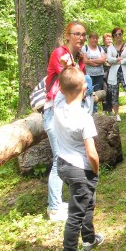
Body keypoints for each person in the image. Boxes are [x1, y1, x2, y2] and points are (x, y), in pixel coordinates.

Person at [53, 66, 104, 251]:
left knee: (87, 203)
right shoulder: (84, 117)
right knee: (76, 213)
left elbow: (62, 85)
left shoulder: (57, 105)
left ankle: (89, 240)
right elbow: (91, 153)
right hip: (80, 169)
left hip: (63, 165)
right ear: (84, 89)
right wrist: (96, 171)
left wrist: (68, 66)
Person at [43, 21, 87, 222]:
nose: (80, 38)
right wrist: (76, 65)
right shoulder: (59, 54)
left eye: (83, 34)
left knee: (68, 155)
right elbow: (69, 78)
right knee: (58, 158)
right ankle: (53, 208)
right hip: (54, 111)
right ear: (67, 35)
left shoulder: (76, 58)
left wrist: (82, 63)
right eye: (76, 34)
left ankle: (60, 202)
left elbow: (80, 83)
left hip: (66, 112)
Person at [81, 32, 106, 112]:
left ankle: (94, 110)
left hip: (99, 74)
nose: (95, 40)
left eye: (96, 38)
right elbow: (85, 61)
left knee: (96, 93)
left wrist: (91, 60)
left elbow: (103, 60)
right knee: (89, 91)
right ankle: (88, 109)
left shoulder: (100, 49)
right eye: (93, 38)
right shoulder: (85, 48)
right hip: (89, 75)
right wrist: (97, 62)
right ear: (89, 39)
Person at [105, 28, 126, 122]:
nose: (118, 36)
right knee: (114, 93)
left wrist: (115, 60)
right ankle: (116, 114)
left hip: (125, 72)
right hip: (113, 72)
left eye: (120, 34)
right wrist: (117, 60)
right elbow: (108, 60)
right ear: (113, 36)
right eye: (116, 34)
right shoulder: (110, 48)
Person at [101, 33, 113, 113]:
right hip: (103, 72)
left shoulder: (115, 49)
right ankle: (105, 108)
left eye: (110, 39)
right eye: (107, 39)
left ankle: (111, 108)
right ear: (104, 40)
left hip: (113, 72)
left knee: (111, 91)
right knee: (104, 90)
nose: (109, 40)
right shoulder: (101, 49)